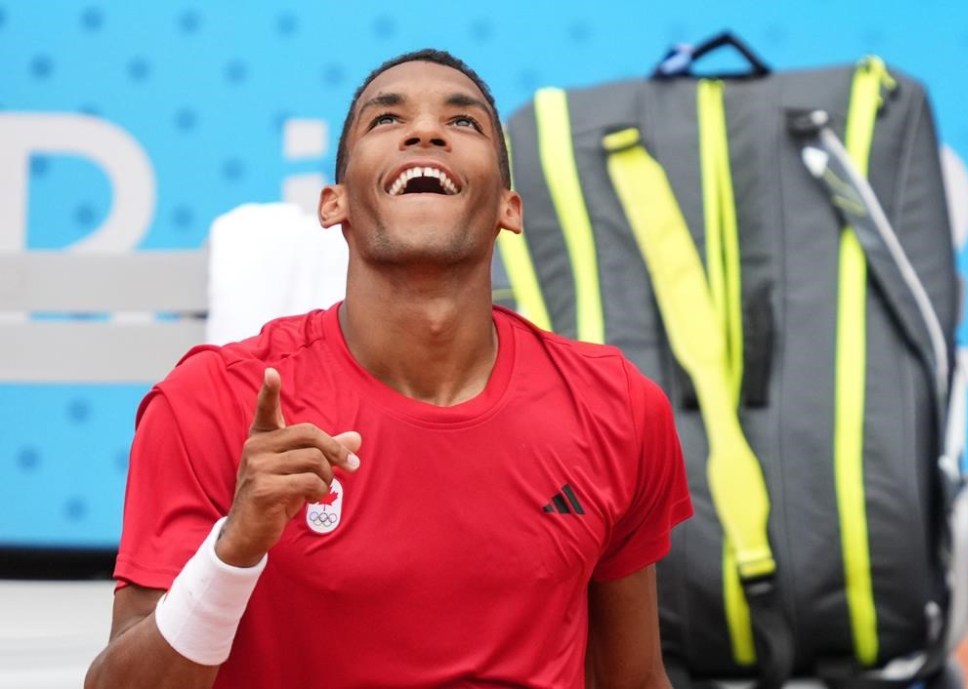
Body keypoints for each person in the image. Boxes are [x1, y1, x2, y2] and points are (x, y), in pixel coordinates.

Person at [85, 48, 692, 689]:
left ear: (510, 210)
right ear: (334, 205)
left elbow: (635, 679)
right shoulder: (207, 403)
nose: (424, 131)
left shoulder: (617, 405)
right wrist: (233, 549)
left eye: (463, 123)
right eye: (386, 120)